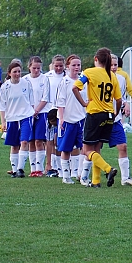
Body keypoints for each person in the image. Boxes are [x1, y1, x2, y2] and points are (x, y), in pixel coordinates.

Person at [72, 48, 121, 188]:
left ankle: (108, 169)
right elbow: (118, 100)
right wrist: (115, 114)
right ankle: (96, 181)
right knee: (96, 148)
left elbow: (75, 87)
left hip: (95, 114)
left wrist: (83, 103)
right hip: (109, 115)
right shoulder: (112, 76)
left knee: (87, 150)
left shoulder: (89, 72)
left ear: (95, 59)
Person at [0, 62, 35, 178]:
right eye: (15, 72)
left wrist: (31, 114)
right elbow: (1, 106)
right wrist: (3, 122)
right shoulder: (5, 87)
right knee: (14, 145)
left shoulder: (26, 83)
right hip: (12, 118)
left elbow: (31, 101)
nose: (17, 74)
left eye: (19, 71)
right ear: (9, 73)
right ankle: (14, 170)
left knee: (24, 141)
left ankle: (20, 169)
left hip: (25, 116)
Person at [110, 54, 132, 186]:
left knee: (123, 146)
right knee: (93, 148)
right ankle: (83, 174)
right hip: (100, 119)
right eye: (111, 64)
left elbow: (121, 97)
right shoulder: (98, 78)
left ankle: (125, 178)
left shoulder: (121, 79)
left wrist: (126, 103)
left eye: (115, 65)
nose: (113, 67)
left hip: (115, 120)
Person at [55, 55, 85, 184]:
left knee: (83, 147)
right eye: (74, 65)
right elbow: (60, 102)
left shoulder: (83, 81)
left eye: (78, 65)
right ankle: (66, 176)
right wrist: (61, 118)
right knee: (66, 148)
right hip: (67, 120)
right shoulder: (64, 82)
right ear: (68, 67)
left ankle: (80, 173)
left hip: (81, 119)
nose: (76, 67)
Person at [22, 56, 50, 177]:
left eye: (39, 68)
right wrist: (29, 111)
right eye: (34, 68)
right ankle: (33, 169)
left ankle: (39, 168)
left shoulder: (45, 79)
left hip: (42, 112)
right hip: (28, 113)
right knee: (30, 141)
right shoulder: (24, 80)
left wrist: (36, 110)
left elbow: (45, 98)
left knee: (39, 140)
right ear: (29, 67)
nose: (36, 70)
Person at [43, 55, 66, 177]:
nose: (58, 68)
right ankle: (49, 165)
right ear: (52, 65)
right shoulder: (47, 77)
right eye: (56, 66)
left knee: (60, 139)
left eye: (60, 66)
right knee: (49, 140)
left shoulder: (67, 76)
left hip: (64, 111)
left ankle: (60, 166)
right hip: (50, 111)